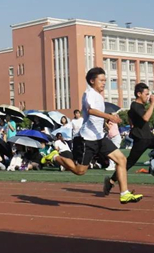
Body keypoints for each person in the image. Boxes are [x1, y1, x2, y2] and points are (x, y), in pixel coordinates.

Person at [53, 67, 142, 204]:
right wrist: (110, 117)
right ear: (92, 81)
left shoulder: (99, 96)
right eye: (101, 80)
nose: (104, 83)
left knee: (121, 160)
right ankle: (55, 157)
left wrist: (105, 123)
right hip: (87, 139)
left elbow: (95, 117)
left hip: (100, 138)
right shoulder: (89, 93)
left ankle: (124, 193)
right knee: (80, 171)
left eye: (105, 80)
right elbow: (90, 110)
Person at [105, 83, 154, 195]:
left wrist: (132, 123)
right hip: (141, 139)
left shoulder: (138, 107)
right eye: (146, 94)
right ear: (139, 94)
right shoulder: (135, 105)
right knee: (129, 163)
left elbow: (129, 114)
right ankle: (110, 181)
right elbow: (145, 118)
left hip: (148, 137)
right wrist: (153, 103)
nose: (148, 96)